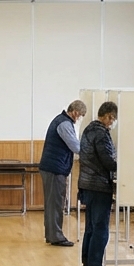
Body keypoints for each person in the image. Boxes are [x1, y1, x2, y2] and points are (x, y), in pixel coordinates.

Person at [78, 101, 118, 266]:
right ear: (109, 116)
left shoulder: (88, 130)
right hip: (99, 185)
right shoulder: (101, 134)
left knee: (90, 227)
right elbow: (108, 161)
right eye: (114, 119)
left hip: (87, 184)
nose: (113, 122)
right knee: (101, 228)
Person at [38, 100, 86, 247]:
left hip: (52, 167)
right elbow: (75, 146)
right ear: (76, 112)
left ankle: (52, 234)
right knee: (56, 203)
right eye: (82, 115)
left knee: (53, 203)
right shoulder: (64, 124)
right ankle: (56, 236)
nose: (80, 118)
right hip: (54, 169)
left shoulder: (61, 121)